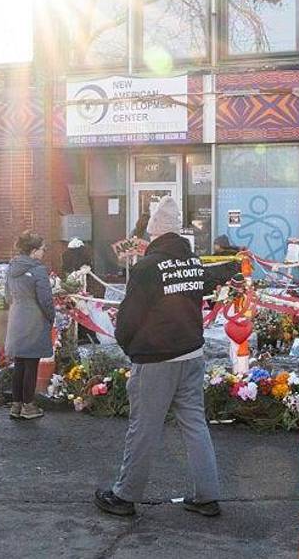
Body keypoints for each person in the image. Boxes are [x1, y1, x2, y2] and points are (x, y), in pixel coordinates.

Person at [95, 197, 239, 519]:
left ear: (154, 232)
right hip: (192, 354)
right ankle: (206, 495)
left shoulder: (147, 268)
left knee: (143, 428)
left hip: (156, 359)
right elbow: (207, 283)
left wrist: (130, 348)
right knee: (195, 425)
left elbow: (128, 319)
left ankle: (125, 495)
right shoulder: (191, 263)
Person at [4, 231, 55, 420]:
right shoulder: (38, 269)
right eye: (42, 249)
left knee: (19, 362)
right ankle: (28, 406)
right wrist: (51, 317)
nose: (43, 253)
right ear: (34, 251)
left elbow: (7, 295)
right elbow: (45, 300)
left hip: (16, 316)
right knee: (31, 364)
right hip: (34, 318)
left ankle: (16, 405)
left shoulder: (12, 267)